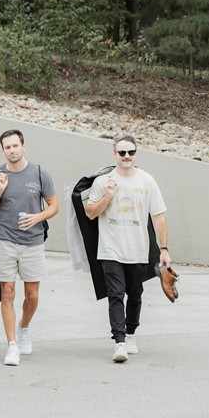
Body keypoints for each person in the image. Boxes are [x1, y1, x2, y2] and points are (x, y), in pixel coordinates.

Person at [84, 135, 170, 362]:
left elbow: (159, 216)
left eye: (130, 152)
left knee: (135, 294)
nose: (126, 156)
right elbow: (91, 212)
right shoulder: (103, 182)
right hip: (110, 249)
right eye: (122, 153)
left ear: (136, 154)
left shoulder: (147, 181)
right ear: (114, 155)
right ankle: (119, 343)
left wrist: (164, 248)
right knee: (115, 294)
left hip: (138, 250)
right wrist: (109, 195)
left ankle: (131, 334)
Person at [0, 130, 59, 366]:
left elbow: (54, 206)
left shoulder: (39, 172)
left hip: (33, 242)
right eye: (7, 147)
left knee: (32, 295)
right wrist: (0, 189)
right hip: (4, 240)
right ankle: (12, 345)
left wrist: (37, 217)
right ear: (3, 150)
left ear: (24, 146)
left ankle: (23, 327)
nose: (12, 150)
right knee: (8, 293)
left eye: (15, 146)